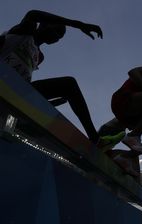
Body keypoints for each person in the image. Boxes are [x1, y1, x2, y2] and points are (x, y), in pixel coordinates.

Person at [0, 10, 123, 150]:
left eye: (60, 36)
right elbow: (33, 13)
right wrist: (77, 24)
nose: (58, 38)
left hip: (15, 91)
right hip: (3, 79)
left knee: (69, 85)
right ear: (43, 25)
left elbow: (24, 82)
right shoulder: (24, 32)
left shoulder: (39, 56)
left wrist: (45, 102)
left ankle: (95, 139)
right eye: (57, 31)